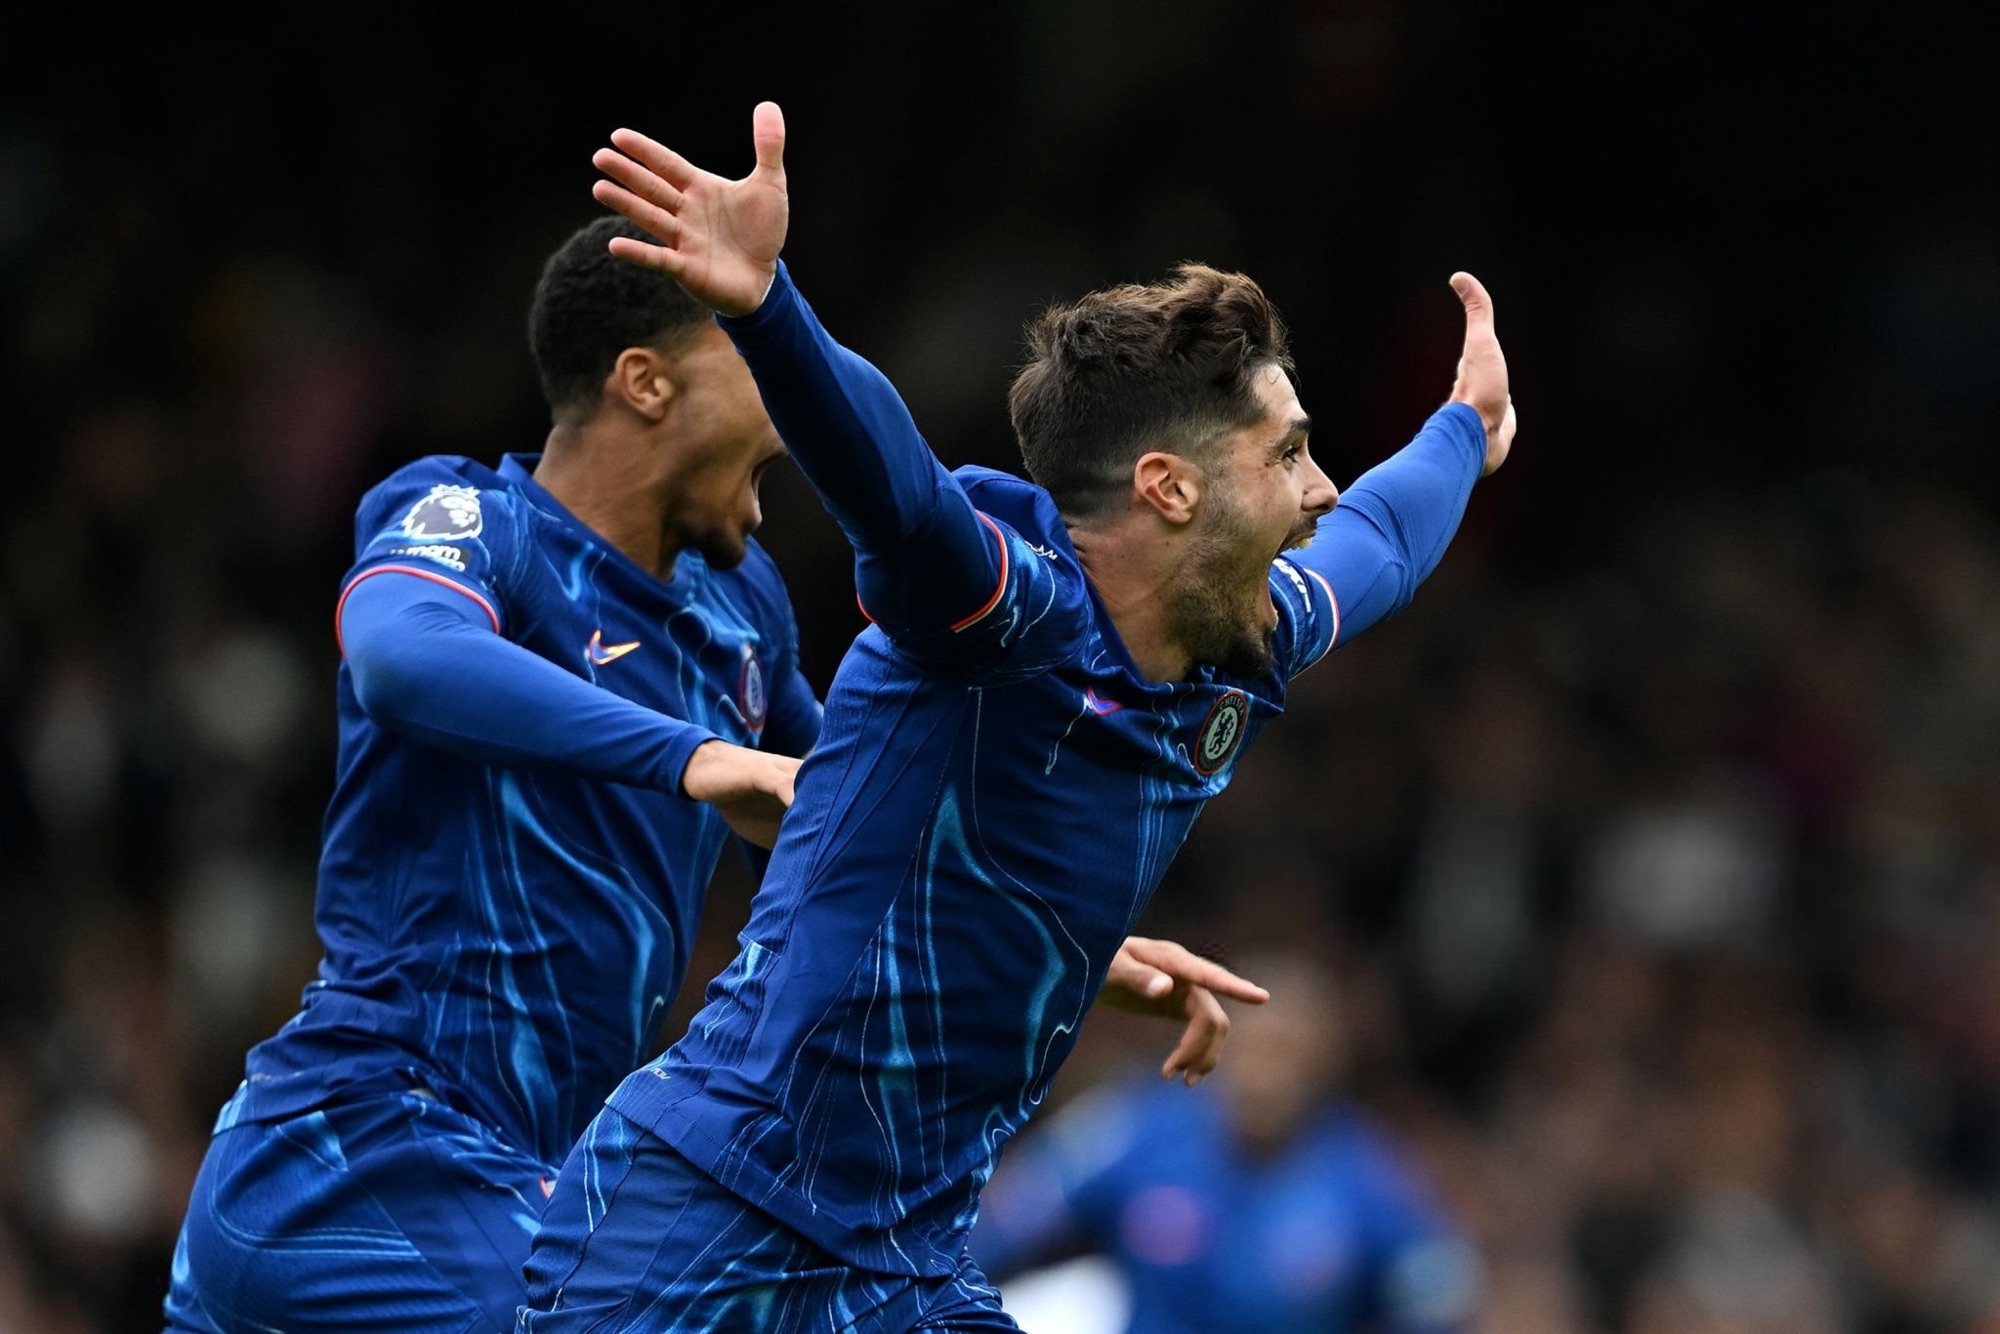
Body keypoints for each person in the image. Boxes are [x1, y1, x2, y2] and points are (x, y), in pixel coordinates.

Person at [519, 102, 1515, 1332]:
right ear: (1168, 486)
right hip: (707, 1210)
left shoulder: (1240, 641)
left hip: (907, 1255)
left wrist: (1463, 430)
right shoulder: (1008, 616)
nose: (1318, 488)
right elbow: (895, 492)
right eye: (1288, 453)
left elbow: (1382, 539)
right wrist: (768, 311)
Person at [163, 214, 819, 1333]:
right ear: (646, 381)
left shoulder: (743, 608)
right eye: (755, 349)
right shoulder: (478, 523)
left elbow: (854, 824)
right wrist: (695, 757)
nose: (797, 389)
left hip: (511, 1185)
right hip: (358, 1149)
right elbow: (401, 655)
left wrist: (1070, 943)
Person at [969, 951, 1482, 1333]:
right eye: (1255, 1050)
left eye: (1288, 1055)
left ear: (1324, 1068)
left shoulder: (1366, 1177)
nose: (1267, 1076)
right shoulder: (1137, 1128)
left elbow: (1440, 1293)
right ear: (1219, 1047)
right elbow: (1011, 1221)